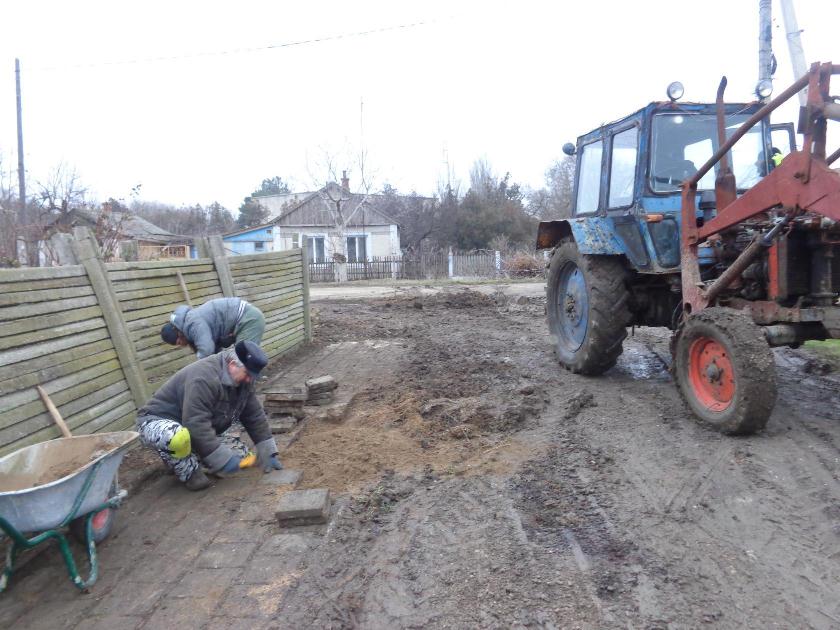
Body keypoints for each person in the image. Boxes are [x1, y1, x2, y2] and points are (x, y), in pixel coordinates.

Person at [135, 340, 283, 491]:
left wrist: (268, 452)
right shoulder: (203, 378)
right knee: (179, 438)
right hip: (157, 422)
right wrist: (221, 460)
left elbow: (254, 415)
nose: (249, 379)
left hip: (191, 428)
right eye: (247, 374)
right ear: (232, 364)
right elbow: (195, 423)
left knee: (241, 457)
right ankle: (187, 469)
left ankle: (190, 454)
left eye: (252, 376)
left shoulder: (243, 380)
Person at [160, 297, 265, 359]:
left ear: (178, 333)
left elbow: (207, 351)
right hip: (245, 319)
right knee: (238, 363)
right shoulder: (190, 324)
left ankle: (246, 395)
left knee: (242, 363)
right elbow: (215, 353)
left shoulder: (192, 323)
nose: (181, 346)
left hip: (249, 319)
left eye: (179, 343)